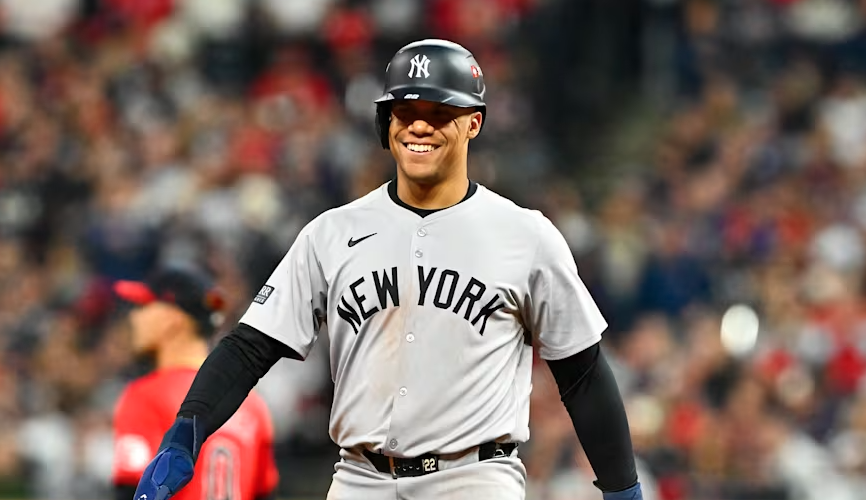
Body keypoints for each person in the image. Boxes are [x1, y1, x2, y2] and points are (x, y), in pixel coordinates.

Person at [131, 39, 644, 500]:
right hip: (360, 478)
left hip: (473, 479)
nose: (419, 125)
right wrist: (185, 432)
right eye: (405, 110)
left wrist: (622, 488)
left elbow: (582, 373)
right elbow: (250, 347)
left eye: (439, 112)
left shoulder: (524, 235)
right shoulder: (332, 233)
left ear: (473, 122)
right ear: (385, 122)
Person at [112, 267, 279, 500]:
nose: (135, 317)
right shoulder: (253, 405)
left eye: (144, 306)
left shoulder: (145, 396)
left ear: (173, 319)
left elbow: (132, 490)